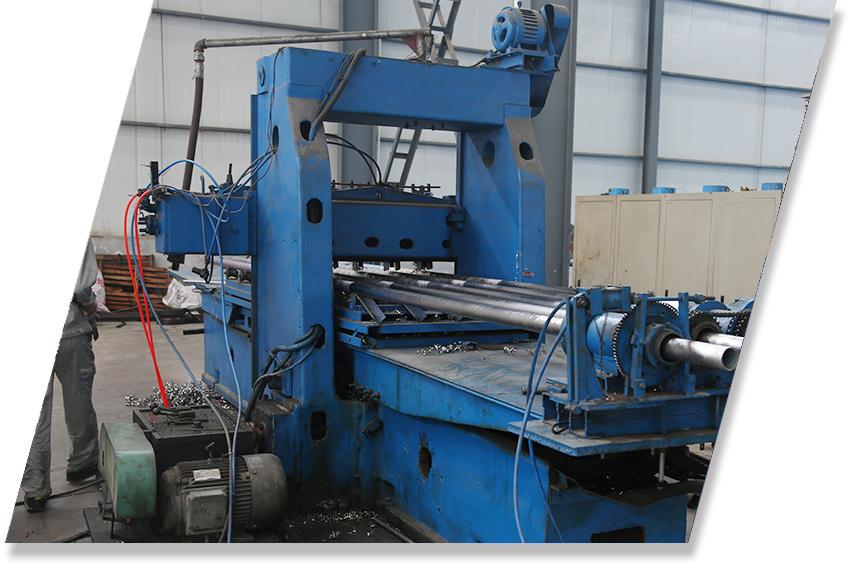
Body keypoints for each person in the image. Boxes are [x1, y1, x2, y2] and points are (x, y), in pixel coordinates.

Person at [21, 239, 100, 512]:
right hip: (69, 328)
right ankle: (82, 464)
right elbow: (80, 286)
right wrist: (90, 306)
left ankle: (36, 489)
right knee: (78, 399)